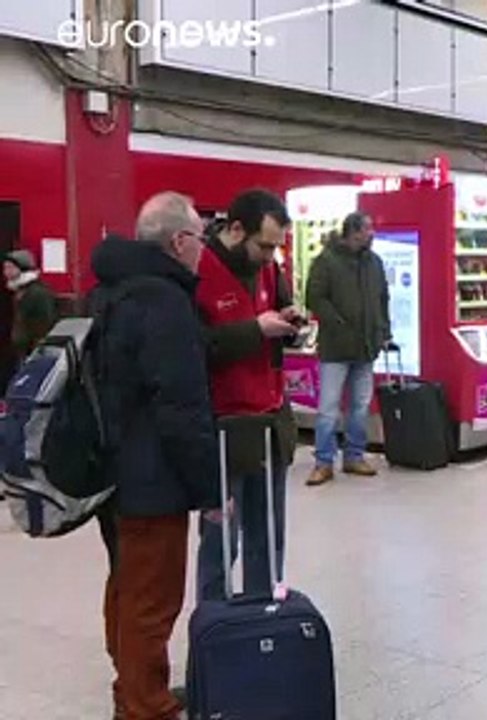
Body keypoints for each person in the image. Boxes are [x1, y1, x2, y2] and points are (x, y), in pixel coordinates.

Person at [93, 193, 219, 720]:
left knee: (126, 587)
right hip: (153, 479)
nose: (203, 250)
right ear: (179, 241)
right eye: (201, 239)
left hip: (111, 469)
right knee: (153, 600)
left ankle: (132, 691)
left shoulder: (110, 290)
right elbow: (181, 406)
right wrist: (210, 489)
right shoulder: (164, 301)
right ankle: (148, 708)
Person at [194, 189, 302, 602]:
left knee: (269, 535)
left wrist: (289, 321)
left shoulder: (269, 270)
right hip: (224, 426)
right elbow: (197, 347)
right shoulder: (199, 270)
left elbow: (278, 309)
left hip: (270, 419)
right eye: (265, 246)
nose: (271, 256)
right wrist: (256, 330)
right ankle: (215, 621)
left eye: (276, 247)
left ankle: (264, 616)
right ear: (237, 230)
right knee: (220, 540)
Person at [304, 211, 391, 486]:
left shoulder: (374, 262)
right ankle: (323, 462)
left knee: (360, 407)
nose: (372, 233)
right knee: (328, 408)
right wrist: (337, 324)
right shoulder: (326, 261)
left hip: (366, 347)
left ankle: (354, 456)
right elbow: (314, 297)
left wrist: (384, 331)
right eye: (367, 229)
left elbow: (383, 299)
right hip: (335, 348)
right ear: (353, 232)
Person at [4, 249, 58, 358]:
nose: (6, 272)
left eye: (10, 267)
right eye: (5, 268)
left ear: (23, 268)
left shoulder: (37, 293)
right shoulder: (19, 290)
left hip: (34, 352)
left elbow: (44, 324)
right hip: (24, 350)